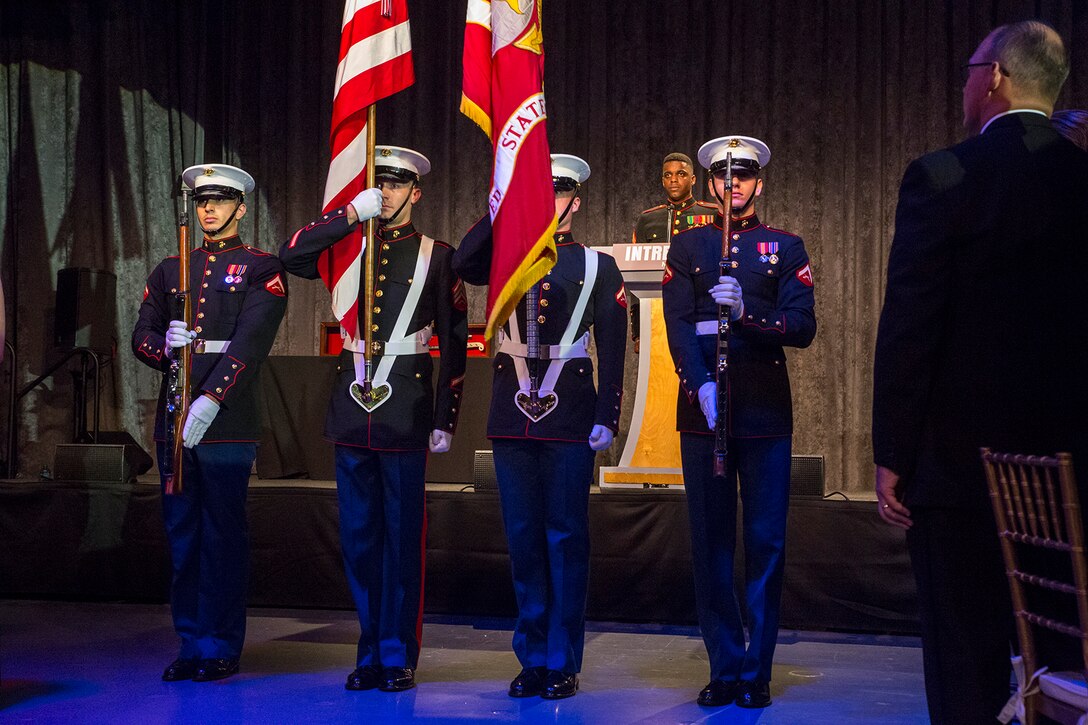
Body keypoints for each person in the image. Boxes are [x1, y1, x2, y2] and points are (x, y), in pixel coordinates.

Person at [872, 21, 1088, 724]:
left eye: (970, 69)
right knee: (1067, 662)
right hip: (1073, 476)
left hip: (961, 473)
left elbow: (912, 325)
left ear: (993, 76)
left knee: (963, 662)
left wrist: (892, 455)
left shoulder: (944, 176)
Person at [279, 146, 467, 693]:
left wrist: (445, 415)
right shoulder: (347, 248)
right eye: (377, 184)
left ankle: (397, 652)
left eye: (395, 185)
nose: (385, 193)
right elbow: (289, 256)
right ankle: (368, 650)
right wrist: (347, 216)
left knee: (402, 539)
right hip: (350, 409)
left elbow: (454, 343)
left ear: (417, 192)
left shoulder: (439, 255)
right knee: (360, 539)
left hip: (405, 408)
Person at [452, 154, 627, 700]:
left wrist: (608, 414)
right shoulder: (507, 255)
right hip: (511, 415)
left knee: (566, 538)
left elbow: (616, 349)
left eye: (555, 194)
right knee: (524, 541)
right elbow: (462, 261)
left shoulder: (598, 265)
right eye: (537, 192)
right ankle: (532, 657)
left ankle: (562, 659)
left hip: (571, 413)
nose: (547, 203)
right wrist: (501, 207)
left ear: (575, 201)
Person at [661, 136, 816, 709]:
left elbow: (803, 326)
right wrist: (698, 383)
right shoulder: (688, 245)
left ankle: (758, 670)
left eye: (745, 176)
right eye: (725, 177)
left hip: (764, 411)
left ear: (760, 184)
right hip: (703, 412)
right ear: (710, 185)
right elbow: (677, 325)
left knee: (765, 543)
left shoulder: (785, 246)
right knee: (711, 544)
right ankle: (724, 664)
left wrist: (750, 313)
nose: (735, 185)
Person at [132, 164, 288, 682]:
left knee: (223, 537)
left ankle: (221, 645)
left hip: (227, 422)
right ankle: (191, 642)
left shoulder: (261, 267)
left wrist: (212, 398)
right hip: (173, 419)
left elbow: (252, 341)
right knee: (183, 538)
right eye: (202, 201)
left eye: (220, 200)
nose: (209, 209)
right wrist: (163, 346)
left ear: (241, 208)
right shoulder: (169, 268)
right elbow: (141, 335)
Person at [629, 153, 716, 351]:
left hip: (700, 313)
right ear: (662, 180)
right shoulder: (648, 219)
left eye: (681, 174)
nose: (673, 180)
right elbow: (636, 277)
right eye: (668, 175)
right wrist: (639, 332)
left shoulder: (710, 214)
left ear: (693, 179)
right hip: (657, 315)